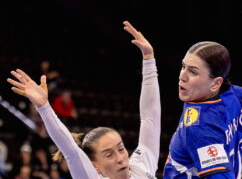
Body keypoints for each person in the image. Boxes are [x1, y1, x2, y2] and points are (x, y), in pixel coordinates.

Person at [6, 21, 161, 179]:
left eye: (121, 149)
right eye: (109, 155)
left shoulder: (141, 166)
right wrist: (44, 107)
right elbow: (71, 151)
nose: (121, 159)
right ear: (95, 166)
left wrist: (148, 60)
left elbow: (150, 117)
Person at [163, 2, 242, 178]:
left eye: (193, 71)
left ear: (216, 83)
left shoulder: (202, 125)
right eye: (183, 67)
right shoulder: (235, 97)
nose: (182, 76)